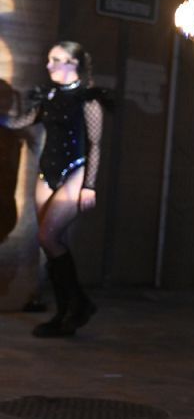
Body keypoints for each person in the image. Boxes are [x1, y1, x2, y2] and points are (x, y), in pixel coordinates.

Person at [1, 41, 109, 337]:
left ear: (73, 64)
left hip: (75, 171)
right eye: (49, 59)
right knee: (47, 242)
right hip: (46, 172)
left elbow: (95, 144)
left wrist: (89, 185)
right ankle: (67, 312)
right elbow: (21, 121)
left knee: (50, 236)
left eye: (56, 60)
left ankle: (77, 306)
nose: (49, 65)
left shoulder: (89, 100)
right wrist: (2, 119)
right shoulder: (48, 96)